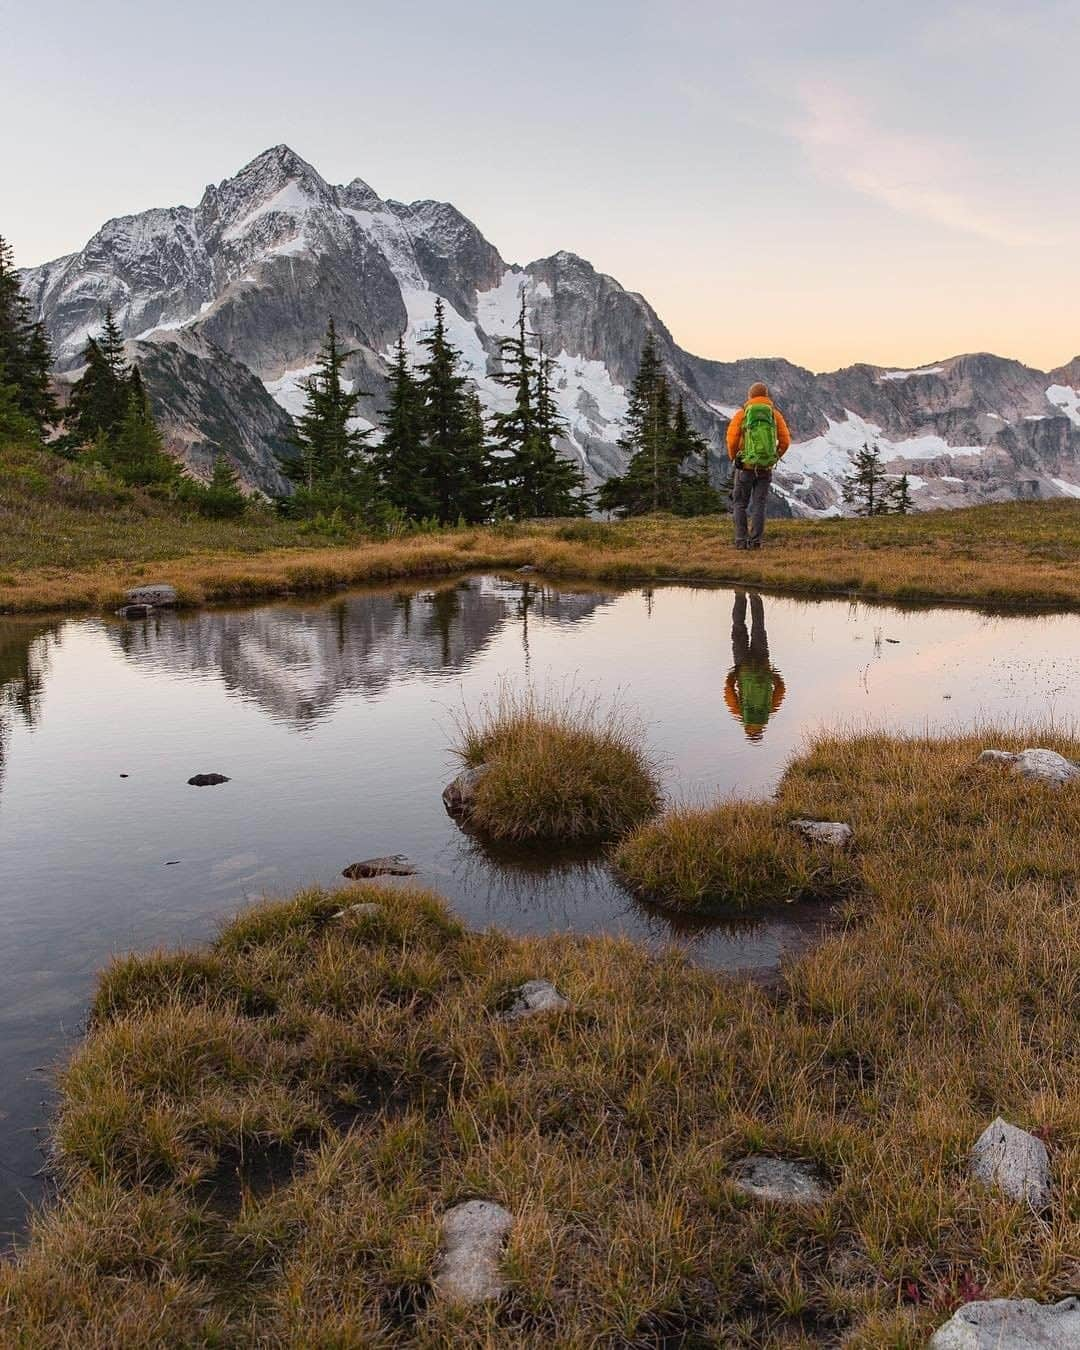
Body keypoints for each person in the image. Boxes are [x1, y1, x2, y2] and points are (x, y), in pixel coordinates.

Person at [725, 382, 791, 549]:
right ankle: (755, 542)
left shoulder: (742, 415)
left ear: (750, 396)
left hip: (745, 467)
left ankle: (741, 541)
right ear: (766, 396)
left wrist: (735, 458)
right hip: (765, 468)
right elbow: (785, 441)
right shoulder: (774, 415)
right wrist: (774, 457)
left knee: (740, 503)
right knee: (759, 504)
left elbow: (732, 440)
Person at [724, 590, 785, 742]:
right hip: (742, 666)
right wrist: (734, 673)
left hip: (762, 663)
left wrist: (770, 673)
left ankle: (754, 595)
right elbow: (728, 689)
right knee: (738, 627)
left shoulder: (769, 710)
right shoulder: (740, 713)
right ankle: (740, 595)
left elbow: (781, 688)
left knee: (758, 627)